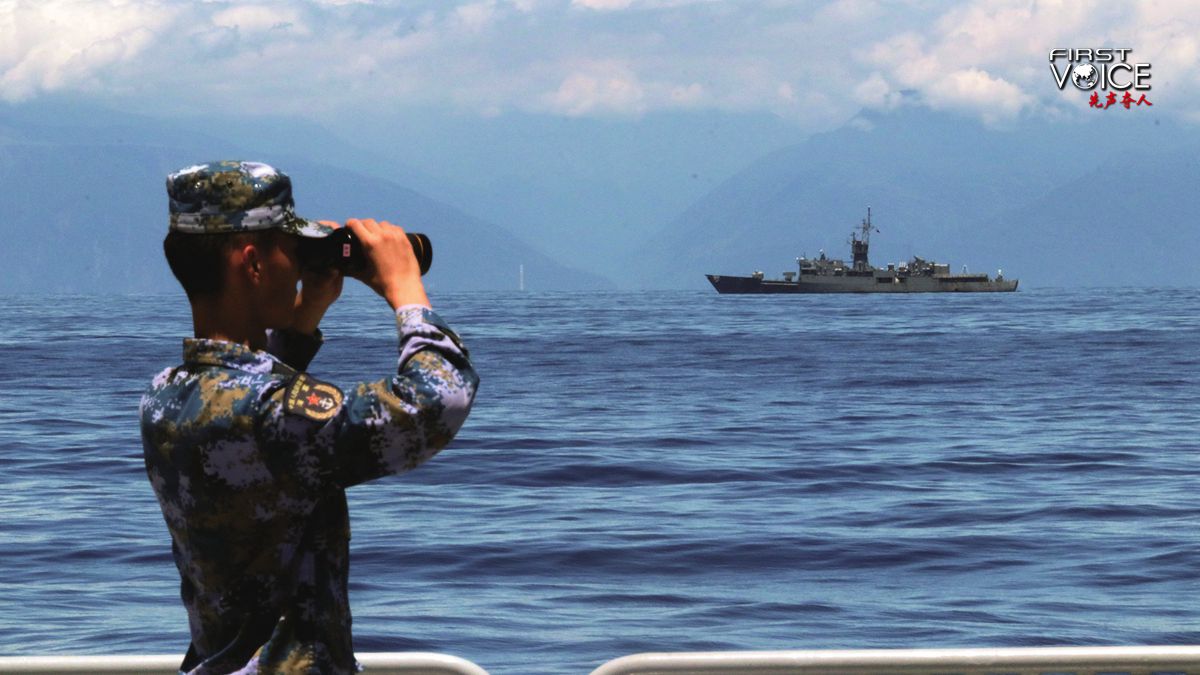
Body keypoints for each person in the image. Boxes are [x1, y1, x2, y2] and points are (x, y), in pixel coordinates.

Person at [140, 160, 479, 674]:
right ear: (252, 263)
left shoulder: (165, 396)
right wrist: (406, 291)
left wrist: (306, 312)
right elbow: (436, 402)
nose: (299, 266)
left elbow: (247, 407)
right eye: (291, 251)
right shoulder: (272, 416)